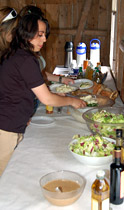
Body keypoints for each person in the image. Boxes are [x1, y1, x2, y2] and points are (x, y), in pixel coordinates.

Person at [0, 14, 86, 175]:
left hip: (11, 125)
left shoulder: (18, 54)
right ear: (26, 33)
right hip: (5, 129)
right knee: (5, 179)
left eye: (45, 34)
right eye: (39, 34)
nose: (44, 39)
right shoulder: (26, 59)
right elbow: (46, 99)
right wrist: (71, 101)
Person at [19, 5, 73, 85]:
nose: (44, 40)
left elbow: (40, 74)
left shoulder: (33, 48)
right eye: (40, 34)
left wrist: (61, 79)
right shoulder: (24, 57)